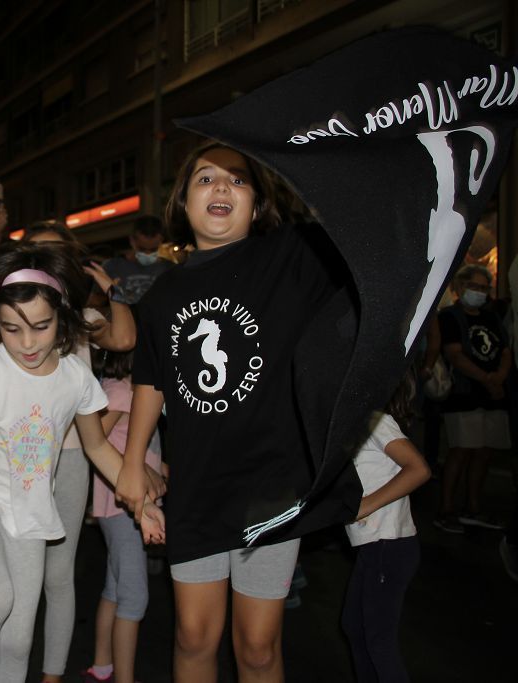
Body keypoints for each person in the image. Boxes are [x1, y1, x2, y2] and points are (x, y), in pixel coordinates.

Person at [115, 142, 344, 682]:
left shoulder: (293, 256)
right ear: (184, 202)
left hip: (272, 483)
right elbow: (151, 380)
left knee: (259, 646)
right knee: (193, 636)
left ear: (260, 204)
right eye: (205, 179)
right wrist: (131, 462)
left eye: (238, 181)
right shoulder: (163, 295)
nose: (221, 188)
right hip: (196, 484)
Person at [0, 243, 164, 683]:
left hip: (32, 513)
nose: (27, 343)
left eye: (40, 327)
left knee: (19, 639)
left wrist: (141, 501)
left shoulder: (74, 377)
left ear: (62, 318)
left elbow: (97, 448)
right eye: (11, 329)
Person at [18, 222, 141, 683]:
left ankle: (52, 674)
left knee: (60, 574)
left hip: (72, 453)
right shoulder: (13, 315)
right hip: (21, 456)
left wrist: (114, 288)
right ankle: (14, 661)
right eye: (40, 254)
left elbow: (126, 339)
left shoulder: (82, 318)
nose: (51, 263)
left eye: (59, 255)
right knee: (17, 577)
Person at [342, 372, 431, 682]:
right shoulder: (352, 423)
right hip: (374, 546)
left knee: (379, 640)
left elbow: (419, 469)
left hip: (389, 544)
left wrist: (367, 504)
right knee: (354, 627)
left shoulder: (374, 420)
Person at [86, 348, 164, 683]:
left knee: (115, 589)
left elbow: (140, 450)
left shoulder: (129, 389)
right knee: (134, 597)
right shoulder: (121, 391)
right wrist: (139, 470)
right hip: (122, 507)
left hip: (123, 506)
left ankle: (102, 666)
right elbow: (96, 441)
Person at [435, 264, 511, 533]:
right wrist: (487, 379)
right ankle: (446, 508)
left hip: (493, 395)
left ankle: (473, 507)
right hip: (464, 395)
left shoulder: (491, 318)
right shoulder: (450, 317)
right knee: (461, 451)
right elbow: (455, 354)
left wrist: (499, 378)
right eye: (474, 286)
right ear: (459, 288)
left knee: (484, 452)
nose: (479, 292)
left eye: (483, 288)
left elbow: (504, 350)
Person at [102, 215, 175, 304]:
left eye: (153, 249)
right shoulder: (112, 267)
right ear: (132, 241)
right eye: (142, 249)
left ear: (161, 241)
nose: (148, 254)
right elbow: (96, 301)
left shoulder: (170, 269)